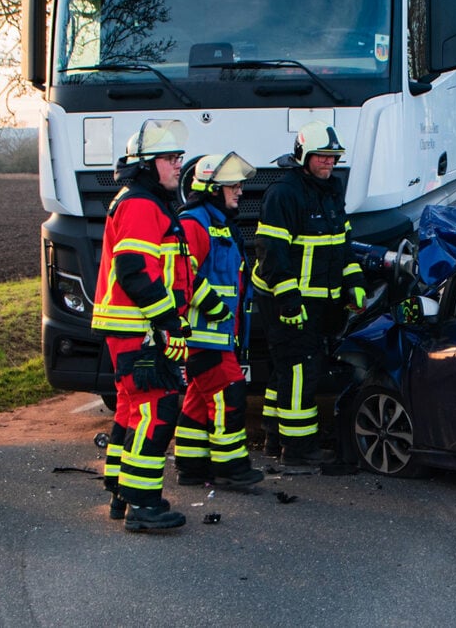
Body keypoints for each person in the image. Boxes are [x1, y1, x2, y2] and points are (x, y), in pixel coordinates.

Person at [91, 119, 194, 532]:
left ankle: (121, 493)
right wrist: (168, 320)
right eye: (170, 159)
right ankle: (144, 504)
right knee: (158, 407)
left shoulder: (140, 201)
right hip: (140, 327)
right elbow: (134, 269)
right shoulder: (140, 204)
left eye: (178, 158)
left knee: (134, 409)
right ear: (148, 165)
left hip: (131, 326)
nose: (177, 166)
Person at [253, 121, 367, 466]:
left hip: (317, 301)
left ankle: (274, 438)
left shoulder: (331, 191)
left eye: (333, 157)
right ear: (303, 156)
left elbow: (342, 246)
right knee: (301, 369)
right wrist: (288, 300)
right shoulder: (284, 194)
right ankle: (299, 450)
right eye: (322, 157)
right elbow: (272, 253)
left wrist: (354, 282)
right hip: (287, 300)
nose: (329, 163)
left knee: (286, 369)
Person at [174, 152, 264, 487]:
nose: (240, 191)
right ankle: (231, 468)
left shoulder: (217, 223)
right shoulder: (195, 223)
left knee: (200, 398)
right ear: (213, 189)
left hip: (219, 335)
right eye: (232, 185)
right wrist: (213, 305)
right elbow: (180, 276)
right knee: (229, 392)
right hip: (202, 335)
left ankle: (192, 465)